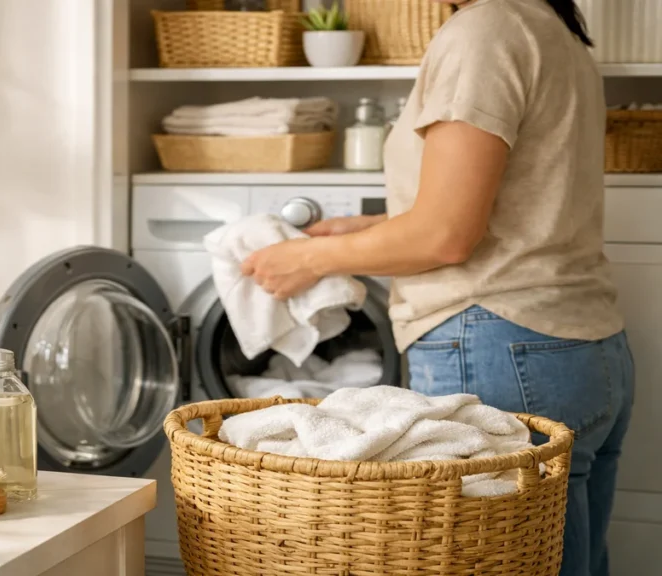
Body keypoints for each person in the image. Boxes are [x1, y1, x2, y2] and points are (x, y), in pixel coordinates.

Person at [240, 1, 633, 575]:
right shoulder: (548, 26)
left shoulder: (485, 29)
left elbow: (447, 236)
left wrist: (308, 258)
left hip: (496, 344)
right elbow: (512, 210)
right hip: (581, 350)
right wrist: (370, 228)